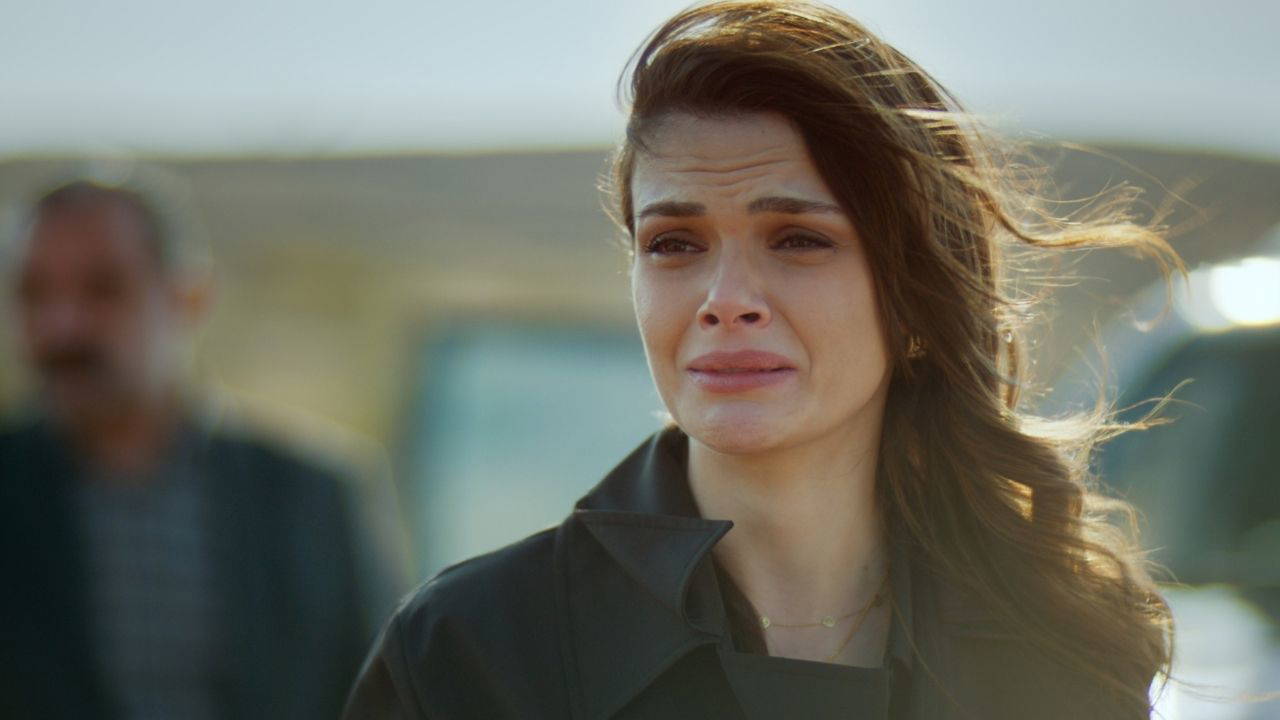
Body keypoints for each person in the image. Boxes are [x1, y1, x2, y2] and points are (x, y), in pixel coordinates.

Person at [343, 2, 1176, 717]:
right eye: (674, 243)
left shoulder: (1057, 643)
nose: (725, 298)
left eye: (798, 239)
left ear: (913, 290)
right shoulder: (471, 651)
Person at [0, 175, 406, 719]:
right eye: (35, 293)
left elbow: (385, 700)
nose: (64, 325)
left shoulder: (313, 497)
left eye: (103, 289)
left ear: (188, 297)